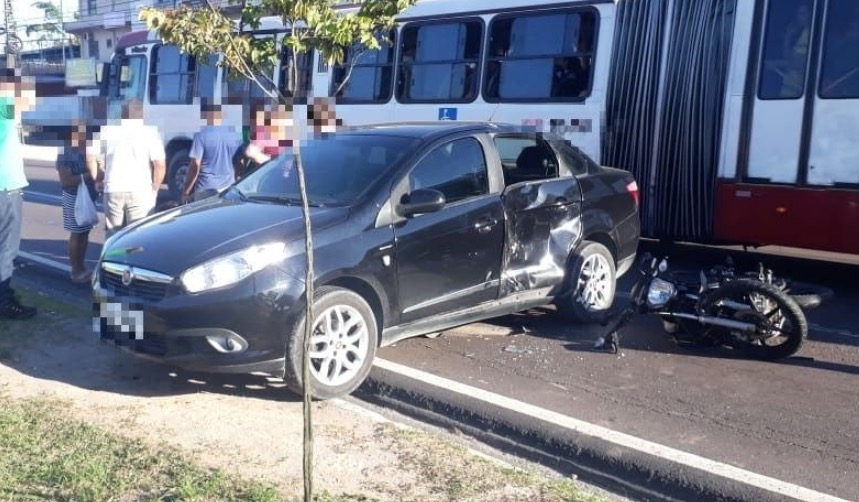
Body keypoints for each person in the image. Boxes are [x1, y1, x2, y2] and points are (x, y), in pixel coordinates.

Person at [89, 99, 166, 237]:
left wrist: (98, 179)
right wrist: (154, 188)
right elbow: (159, 165)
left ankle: (112, 257)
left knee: (113, 234)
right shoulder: (151, 133)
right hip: (141, 189)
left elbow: (91, 156)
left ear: (122, 115)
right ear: (143, 115)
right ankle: (132, 258)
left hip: (113, 188)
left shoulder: (107, 131)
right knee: (139, 235)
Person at [0, 69, 37, 320]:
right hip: (6, 188)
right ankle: (4, 302)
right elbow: (28, 97)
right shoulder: (4, 106)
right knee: (6, 249)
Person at [56, 120, 99, 283]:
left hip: (88, 196)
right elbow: (66, 180)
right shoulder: (65, 151)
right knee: (77, 232)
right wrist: (89, 175)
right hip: (73, 196)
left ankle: (81, 267)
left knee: (85, 231)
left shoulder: (89, 148)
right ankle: (75, 270)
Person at [182, 100, 242, 203]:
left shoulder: (201, 135)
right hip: (228, 188)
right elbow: (239, 162)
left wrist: (186, 191)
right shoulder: (235, 134)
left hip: (205, 189)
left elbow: (195, 166)